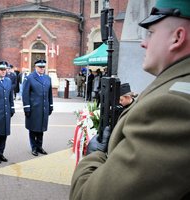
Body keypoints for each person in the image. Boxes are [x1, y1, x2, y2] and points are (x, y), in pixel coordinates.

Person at [70, 0, 190, 199]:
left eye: (151, 33)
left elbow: (89, 196)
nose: (144, 43)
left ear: (177, 37)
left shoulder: (172, 105)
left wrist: (95, 156)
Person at [22, 59, 53, 156]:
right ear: (35, 67)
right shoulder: (30, 78)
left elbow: (50, 94)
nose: (42, 68)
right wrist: (26, 108)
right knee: (33, 128)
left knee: (41, 128)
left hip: (44, 108)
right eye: (40, 67)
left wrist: (50, 106)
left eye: (43, 67)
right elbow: (25, 94)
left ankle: (39, 146)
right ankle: (34, 147)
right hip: (34, 108)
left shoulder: (48, 78)